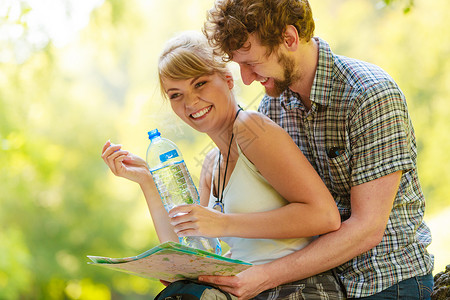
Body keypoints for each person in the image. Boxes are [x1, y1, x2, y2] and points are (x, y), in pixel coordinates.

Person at [200, 0, 435, 299]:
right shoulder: (273, 105)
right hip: (315, 282)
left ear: (289, 39)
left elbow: (367, 228)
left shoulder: (370, 95)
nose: (246, 79)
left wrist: (264, 276)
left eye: (251, 63)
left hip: (384, 281)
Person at [101, 31, 345, 299]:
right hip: (249, 292)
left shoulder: (251, 128)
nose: (190, 102)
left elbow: (324, 216)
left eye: (200, 84)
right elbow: (191, 252)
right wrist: (147, 181)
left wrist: (224, 223)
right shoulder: (211, 164)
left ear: (228, 79)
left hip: (299, 290)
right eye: (175, 95)